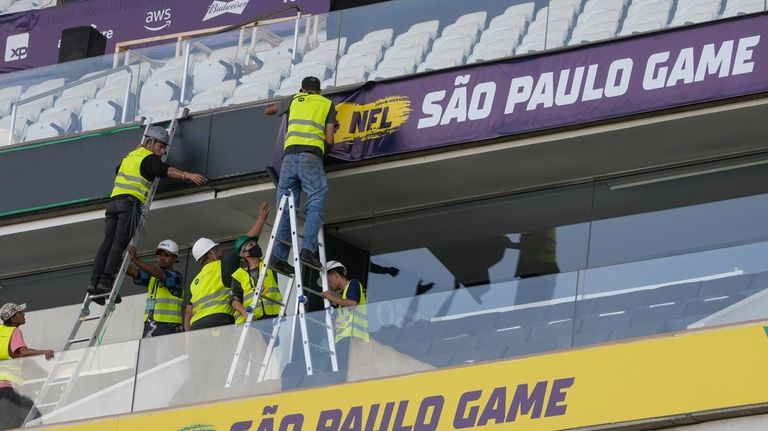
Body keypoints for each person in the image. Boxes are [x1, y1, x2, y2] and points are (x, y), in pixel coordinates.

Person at [87, 126, 207, 305]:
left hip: (113, 203)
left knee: (107, 243)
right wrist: (187, 175)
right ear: (150, 142)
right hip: (129, 205)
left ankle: (93, 283)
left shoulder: (129, 156)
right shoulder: (149, 158)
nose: (163, 151)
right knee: (118, 245)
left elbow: (117, 171)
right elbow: (165, 170)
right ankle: (105, 284)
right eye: (161, 146)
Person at [265, 76, 337, 275]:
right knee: (315, 200)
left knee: (287, 207)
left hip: (288, 159)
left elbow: (268, 110)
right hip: (311, 157)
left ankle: (278, 256)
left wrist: (287, 102)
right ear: (319, 91)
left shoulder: (295, 99)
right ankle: (308, 250)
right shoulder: (327, 104)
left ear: (302, 89)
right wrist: (325, 152)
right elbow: (330, 138)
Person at [0, 303, 54, 430]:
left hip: (6, 389)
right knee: (13, 424)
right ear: (13, 318)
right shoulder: (15, 331)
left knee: (29, 412)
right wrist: (43, 352)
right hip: (7, 389)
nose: (24, 314)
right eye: (20, 312)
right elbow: (22, 351)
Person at [230, 203, 283, 324]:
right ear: (245, 254)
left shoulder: (268, 264)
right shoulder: (238, 275)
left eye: (255, 244)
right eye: (251, 245)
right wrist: (246, 314)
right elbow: (234, 300)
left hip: (272, 317)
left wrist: (261, 219)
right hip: (251, 321)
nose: (255, 246)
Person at [126, 240, 185, 338]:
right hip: (150, 327)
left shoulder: (176, 277)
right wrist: (116, 261)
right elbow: (134, 272)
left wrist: (136, 259)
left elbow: (159, 274)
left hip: (169, 328)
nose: (162, 258)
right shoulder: (153, 278)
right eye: (160, 255)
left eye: (166, 255)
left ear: (175, 258)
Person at [319, 260, 368, 375]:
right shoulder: (343, 297)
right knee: (329, 374)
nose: (329, 286)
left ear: (336, 275)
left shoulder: (353, 284)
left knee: (340, 375)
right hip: (344, 341)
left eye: (329, 281)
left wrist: (331, 297)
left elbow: (352, 303)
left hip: (353, 339)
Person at [185, 238, 239, 331]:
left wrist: (187, 338)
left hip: (196, 328)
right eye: (217, 250)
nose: (221, 251)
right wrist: (261, 222)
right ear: (211, 255)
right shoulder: (223, 265)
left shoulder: (194, 282)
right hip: (219, 322)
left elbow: (188, 315)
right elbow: (246, 241)